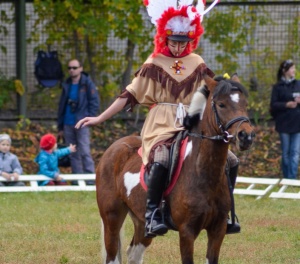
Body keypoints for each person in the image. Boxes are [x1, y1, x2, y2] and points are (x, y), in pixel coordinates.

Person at [75, 0, 239, 237]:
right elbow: (129, 94)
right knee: (161, 157)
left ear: (190, 40)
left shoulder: (197, 62)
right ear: (165, 38)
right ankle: (153, 212)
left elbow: (210, 93)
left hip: (192, 122)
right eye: (173, 42)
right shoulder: (154, 63)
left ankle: (226, 212)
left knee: (231, 160)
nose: (177, 47)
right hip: (161, 124)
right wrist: (100, 117)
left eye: (182, 42)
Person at [57, 59, 100, 184]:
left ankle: (90, 179)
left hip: (82, 122)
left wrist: (89, 118)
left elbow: (94, 103)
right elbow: (61, 106)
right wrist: (60, 127)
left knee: (85, 151)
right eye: (69, 68)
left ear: (81, 68)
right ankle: (77, 180)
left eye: (74, 67)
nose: (71, 70)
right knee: (73, 152)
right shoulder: (67, 84)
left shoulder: (87, 84)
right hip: (67, 123)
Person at [270, 59, 300, 179]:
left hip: (297, 124)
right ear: (284, 71)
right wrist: (286, 105)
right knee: (286, 153)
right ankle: (287, 178)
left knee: (295, 153)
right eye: (292, 68)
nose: (294, 70)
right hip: (283, 124)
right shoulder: (277, 87)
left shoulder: (298, 84)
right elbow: (273, 105)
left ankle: (292, 179)